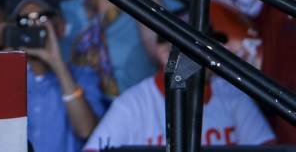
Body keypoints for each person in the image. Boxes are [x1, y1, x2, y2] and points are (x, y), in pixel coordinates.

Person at [82, 33, 276, 149]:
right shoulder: (133, 104)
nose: (209, 56)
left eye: (212, 47)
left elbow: (268, 148)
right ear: (165, 54)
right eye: (199, 48)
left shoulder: (233, 95)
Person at [0, 0, 106, 152]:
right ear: (11, 29)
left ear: (60, 27)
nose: (33, 27)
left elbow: (86, 130)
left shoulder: (83, 75)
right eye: (23, 21)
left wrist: (58, 65)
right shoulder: (1, 78)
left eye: (42, 18)